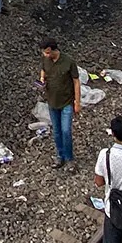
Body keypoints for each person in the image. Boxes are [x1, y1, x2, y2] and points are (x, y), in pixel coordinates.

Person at [39, 38, 81, 169]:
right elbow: (43, 70)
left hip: (66, 102)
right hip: (52, 101)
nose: (45, 55)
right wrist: (42, 79)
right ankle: (59, 156)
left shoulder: (68, 62)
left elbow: (76, 81)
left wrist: (77, 102)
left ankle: (69, 159)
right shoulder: (46, 60)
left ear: (52, 50)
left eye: (46, 52)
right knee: (56, 131)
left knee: (66, 131)